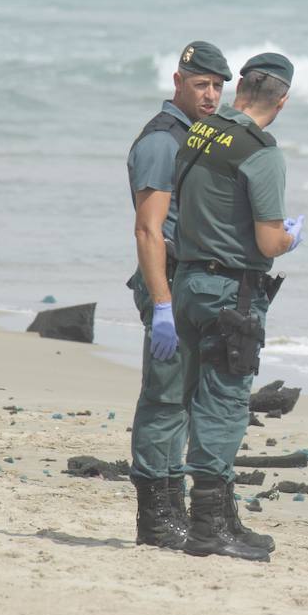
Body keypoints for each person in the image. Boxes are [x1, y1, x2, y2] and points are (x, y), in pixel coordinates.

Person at [171, 52, 301, 562]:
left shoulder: (200, 133)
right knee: (224, 405)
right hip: (230, 291)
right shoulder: (261, 152)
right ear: (282, 101)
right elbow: (268, 241)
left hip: (188, 279)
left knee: (194, 397)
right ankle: (208, 526)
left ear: (239, 87)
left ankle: (223, 518)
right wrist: (292, 237)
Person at [126, 40, 231, 549]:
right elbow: (148, 231)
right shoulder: (162, 142)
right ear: (178, 82)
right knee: (164, 401)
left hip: (190, 283)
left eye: (218, 87)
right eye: (201, 85)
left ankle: (177, 508)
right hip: (166, 282)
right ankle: (156, 515)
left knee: (184, 403)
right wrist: (162, 304)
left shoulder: (198, 136)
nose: (211, 96)